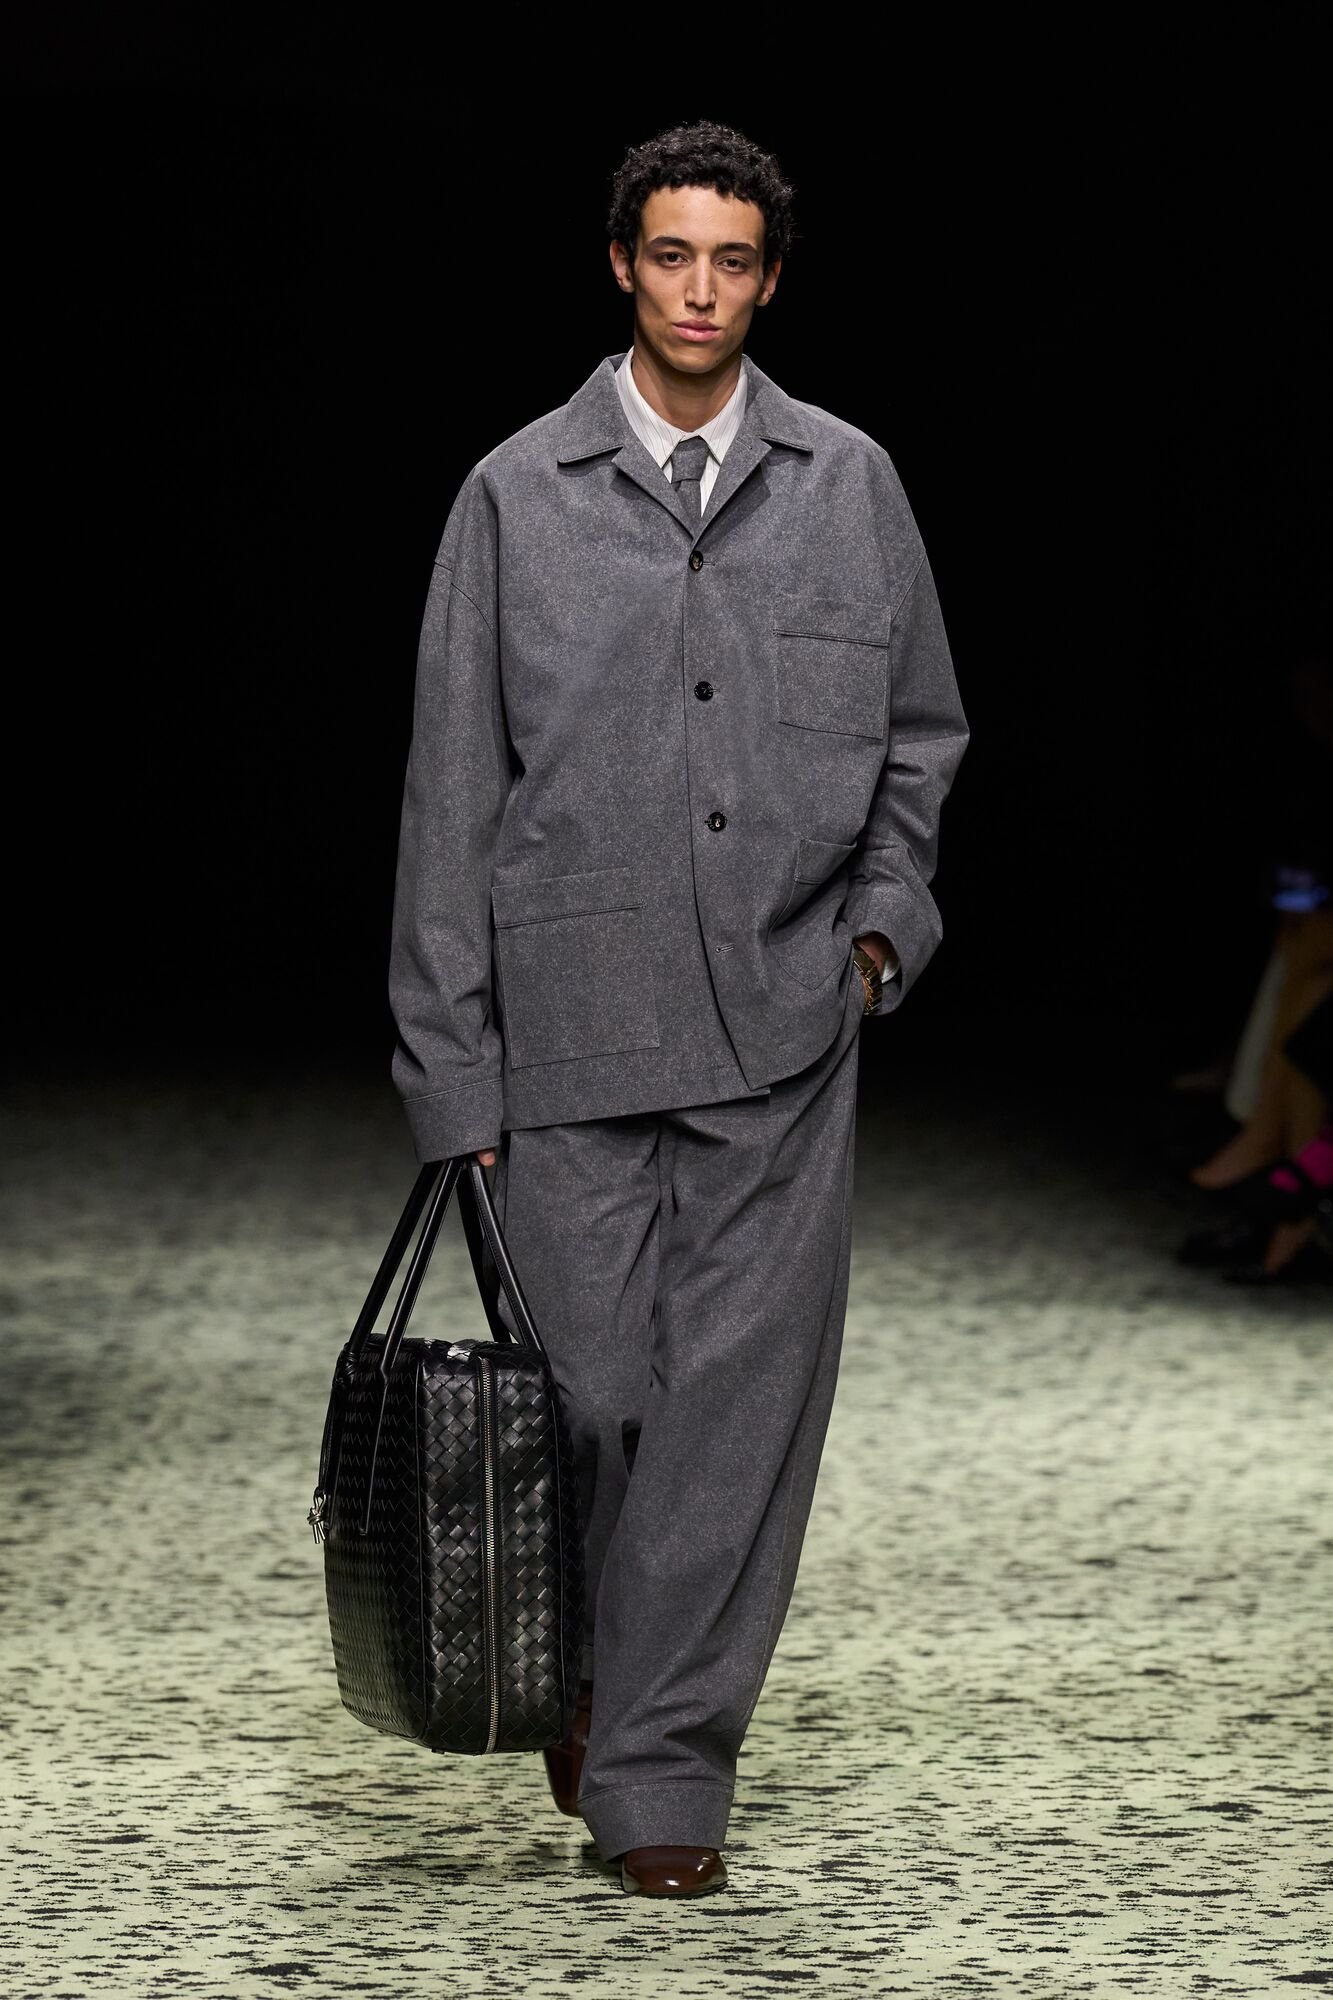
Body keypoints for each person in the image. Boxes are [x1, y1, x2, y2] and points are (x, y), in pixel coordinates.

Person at [387, 119, 970, 1896]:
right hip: (569, 1027)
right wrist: (450, 1068)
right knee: (589, 1399)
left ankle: (659, 1773)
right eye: (669, 256)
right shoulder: (516, 494)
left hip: (786, 1025)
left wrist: (876, 938)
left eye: (730, 261)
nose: (698, 290)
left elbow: (919, 737)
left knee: (735, 1420)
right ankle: (591, 1665)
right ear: (620, 267)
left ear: (767, 280)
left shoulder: (848, 483)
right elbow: (450, 792)